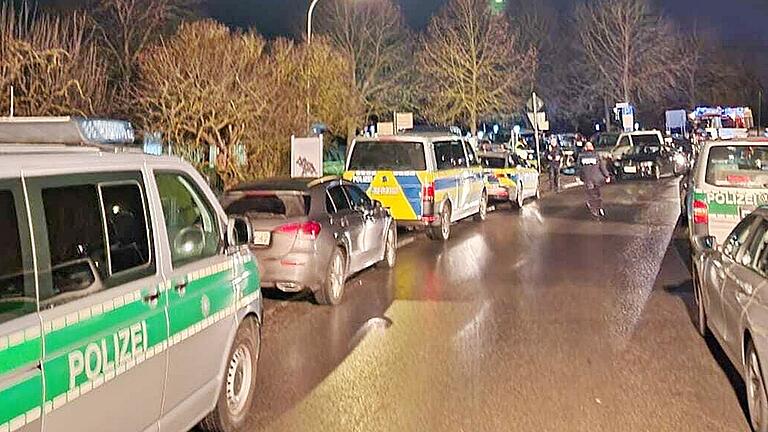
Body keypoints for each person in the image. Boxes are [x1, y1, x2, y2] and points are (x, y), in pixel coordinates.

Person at [578, 141, 611, 220]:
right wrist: (607, 176)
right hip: (597, 178)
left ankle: (594, 210)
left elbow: (578, 168)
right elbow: (602, 167)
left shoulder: (581, 156)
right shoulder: (596, 155)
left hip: (587, 179)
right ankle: (599, 207)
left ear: (585, 148)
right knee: (597, 194)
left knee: (591, 195)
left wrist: (579, 177)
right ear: (592, 148)